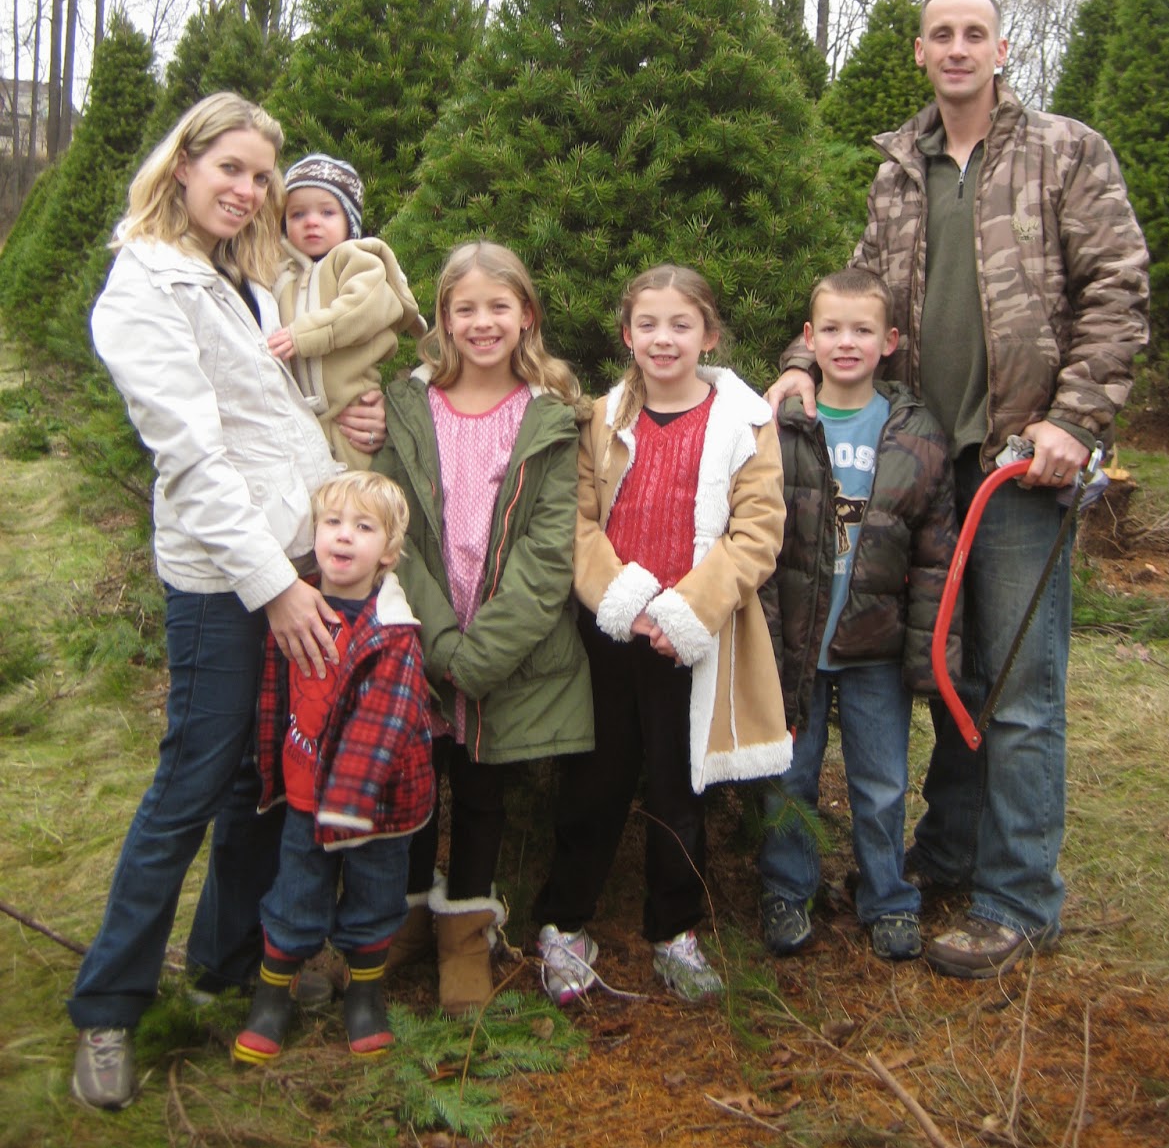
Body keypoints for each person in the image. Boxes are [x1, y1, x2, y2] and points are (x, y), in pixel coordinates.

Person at [767, 0, 1150, 978]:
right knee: (951, 672)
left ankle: (1018, 897)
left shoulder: (1066, 151)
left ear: (1001, 47)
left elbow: (1117, 286)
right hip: (921, 464)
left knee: (1020, 684)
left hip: (1023, 460)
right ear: (921, 50)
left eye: (974, 32)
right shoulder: (899, 170)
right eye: (941, 33)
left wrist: (1072, 419)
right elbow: (856, 292)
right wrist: (802, 363)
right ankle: (945, 850)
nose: (957, 47)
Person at [68, 93, 385, 1110]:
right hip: (227, 577)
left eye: (261, 177)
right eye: (231, 169)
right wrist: (277, 590)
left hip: (295, 554)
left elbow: (268, 415)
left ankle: (224, 962)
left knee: (270, 774)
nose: (246, 190)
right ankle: (108, 1009)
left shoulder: (239, 282)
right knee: (193, 781)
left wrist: (347, 418)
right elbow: (195, 460)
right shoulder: (142, 287)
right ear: (183, 164)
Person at [533, 265, 791, 1006]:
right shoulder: (602, 418)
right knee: (596, 780)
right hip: (613, 629)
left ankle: (674, 930)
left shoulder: (745, 424)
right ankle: (564, 921)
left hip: (695, 636)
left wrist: (685, 612)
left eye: (681, 324)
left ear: (709, 335)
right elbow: (577, 522)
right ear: (626, 335)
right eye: (648, 324)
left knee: (681, 790)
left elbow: (757, 533)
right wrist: (626, 601)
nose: (663, 338)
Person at [373, 241, 593, 1016]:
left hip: (506, 647)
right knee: (415, 779)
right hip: (423, 633)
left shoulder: (551, 418)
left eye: (498, 306)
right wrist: (439, 642)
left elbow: (548, 551)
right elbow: (388, 529)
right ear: (442, 319)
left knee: (484, 782)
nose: (482, 322)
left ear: (526, 315)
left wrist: (482, 654)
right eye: (464, 308)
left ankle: (465, 929)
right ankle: (401, 915)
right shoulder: (406, 407)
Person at [759, 267, 959, 963]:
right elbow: (752, 534)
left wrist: (931, 652)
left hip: (875, 645)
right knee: (791, 779)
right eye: (833, 330)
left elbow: (937, 554)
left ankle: (888, 897)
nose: (847, 343)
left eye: (864, 330)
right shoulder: (781, 422)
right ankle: (787, 891)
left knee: (880, 783)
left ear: (891, 341)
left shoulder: (916, 433)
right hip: (797, 642)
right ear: (809, 339)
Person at [233, 471, 434, 1064]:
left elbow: (385, 721)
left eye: (364, 528)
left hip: (377, 808)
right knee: (295, 893)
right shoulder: (294, 606)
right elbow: (272, 694)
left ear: (389, 552)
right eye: (333, 523)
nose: (344, 537)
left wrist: (348, 798)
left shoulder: (393, 631)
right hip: (304, 796)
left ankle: (364, 996)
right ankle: (272, 998)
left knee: (375, 896)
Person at [268, 153, 427, 470]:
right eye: (298, 214)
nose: (311, 221)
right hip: (296, 426)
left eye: (327, 211)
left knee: (356, 503)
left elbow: (363, 308)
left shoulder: (355, 259)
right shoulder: (279, 275)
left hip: (351, 416)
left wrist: (306, 335)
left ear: (349, 220)